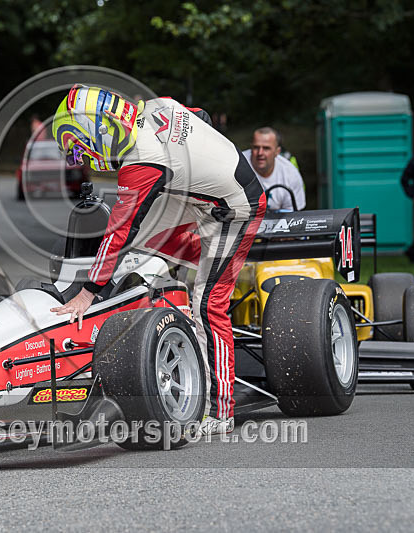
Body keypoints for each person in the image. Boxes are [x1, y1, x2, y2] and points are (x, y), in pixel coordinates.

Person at [49, 85, 266, 435]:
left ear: (98, 133)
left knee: (209, 303)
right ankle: (210, 265)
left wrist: (88, 292)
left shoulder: (140, 163)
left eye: (80, 148)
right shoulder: (155, 105)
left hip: (234, 208)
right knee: (144, 235)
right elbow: (201, 117)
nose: (83, 159)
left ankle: (221, 410)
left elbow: (118, 233)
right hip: (201, 191)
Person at [242, 127, 305, 212]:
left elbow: (294, 217)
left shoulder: (290, 174)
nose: (260, 153)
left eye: (266, 148)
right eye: (256, 147)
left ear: (277, 152)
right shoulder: (237, 165)